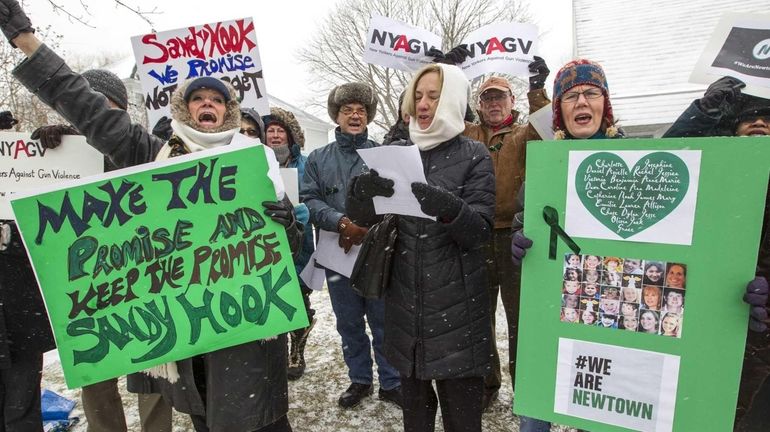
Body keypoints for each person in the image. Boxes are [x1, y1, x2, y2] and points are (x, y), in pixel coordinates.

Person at [0, 5, 304, 430]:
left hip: (248, 334)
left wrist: (288, 227)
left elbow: (290, 254)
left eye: (217, 99)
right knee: (205, 423)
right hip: (188, 336)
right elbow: (87, 108)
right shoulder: (152, 155)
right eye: (198, 99)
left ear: (229, 111)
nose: (207, 105)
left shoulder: (256, 163)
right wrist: (27, 41)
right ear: (184, 109)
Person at [346, 63, 495, 432]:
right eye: (417, 95)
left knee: (462, 421)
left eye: (433, 95)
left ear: (452, 101)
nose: (423, 104)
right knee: (415, 421)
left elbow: (479, 233)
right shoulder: (396, 151)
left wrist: (448, 207)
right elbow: (365, 218)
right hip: (406, 312)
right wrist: (362, 194)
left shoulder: (475, 154)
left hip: (457, 315)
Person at [30, 69, 174, 432]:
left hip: (143, 274)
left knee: (154, 363)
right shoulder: (62, 152)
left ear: (120, 110)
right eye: (86, 99)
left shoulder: (138, 147)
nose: (91, 108)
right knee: (94, 370)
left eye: (102, 103)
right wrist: (51, 154)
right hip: (85, 284)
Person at [509, 58, 622, 432]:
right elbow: (523, 219)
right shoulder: (546, 165)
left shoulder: (635, 157)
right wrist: (520, 241)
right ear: (559, 110)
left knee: (601, 411)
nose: (582, 103)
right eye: (571, 96)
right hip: (553, 310)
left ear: (605, 104)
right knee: (538, 409)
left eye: (591, 93)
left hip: (612, 314)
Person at [663, 75, 770, 429]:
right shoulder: (716, 174)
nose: (759, 123)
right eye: (750, 117)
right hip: (706, 323)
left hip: (759, 339)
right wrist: (702, 113)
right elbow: (665, 165)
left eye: (768, 118)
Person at [300, 82, 401, 408]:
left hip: (377, 253)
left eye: (361, 110)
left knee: (383, 320)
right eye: (348, 110)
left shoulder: (381, 154)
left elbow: (396, 199)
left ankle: (391, 381)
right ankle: (360, 379)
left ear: (368, 115)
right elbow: (308, 200)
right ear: (337, 115)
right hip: (335, 254)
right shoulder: (318, 158)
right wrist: (342, 223)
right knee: (349, 322)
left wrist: (367, 228)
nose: (354, 115)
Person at [462, 58, 551, 410]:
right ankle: (486, 384)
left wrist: (537, 88)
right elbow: (439, 119)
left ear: (512, 101)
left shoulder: (526, 133)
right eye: (487, 99)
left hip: (516, 237)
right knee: (478, 317)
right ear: (479, 105)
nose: (494, 104)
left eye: (500, 98)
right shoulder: (469, 134)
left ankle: (525, 387)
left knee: (521, 319)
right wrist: (449, 73)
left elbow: (549, 128)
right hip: (477, 235)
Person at [0, 111, 55, 432]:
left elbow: (51, 230)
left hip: (21, 318)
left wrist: (67, 140)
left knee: (22, 409)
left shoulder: (25, 170)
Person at [258, 107, 317, 381]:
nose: (275, 135)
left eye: (281, 130)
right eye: (270, 130)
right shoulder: (253, 162)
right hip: (264, 243)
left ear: (291, 136)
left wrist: (300, 212)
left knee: (299, 297)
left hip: (299, 240)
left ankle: (297, 349)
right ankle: (272, 352)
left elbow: (313, 198)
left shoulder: (304, 164)